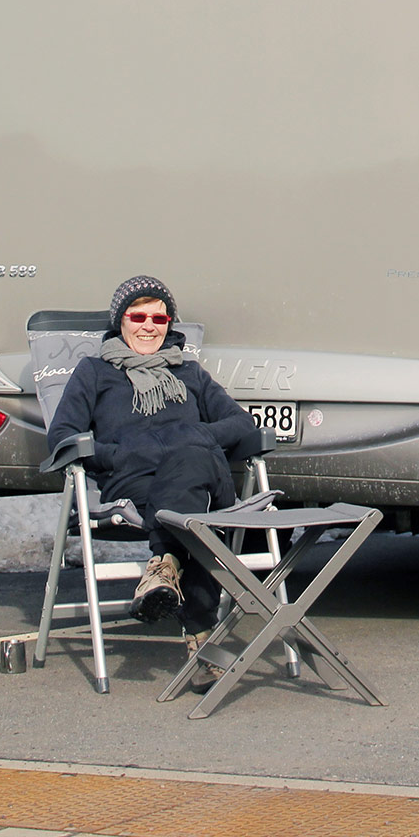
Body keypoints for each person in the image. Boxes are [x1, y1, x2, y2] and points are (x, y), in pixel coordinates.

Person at [46, 275, 261, 669]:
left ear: (169, 325)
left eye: (159, 319)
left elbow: (241, 425)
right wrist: (125, 453)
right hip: (135, 483)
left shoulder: (190, 373)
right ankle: (200, 635)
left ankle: (164, 567)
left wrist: (188, 436)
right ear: (120, 322)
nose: (148, 326)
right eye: (138, 315)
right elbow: (62, 436)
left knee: (192, 460)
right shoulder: (94, 372)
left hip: (200, 473)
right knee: (196, 517)